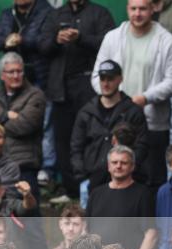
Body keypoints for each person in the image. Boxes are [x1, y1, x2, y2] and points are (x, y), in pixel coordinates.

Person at [92, 0, 172, 187]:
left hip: (152, 123)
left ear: (153, 9)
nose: (137, 14)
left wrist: (146, 98)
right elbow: (96, 76)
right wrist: (112, 99)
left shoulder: (167, 41)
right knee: (114, 177)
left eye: (142, 9)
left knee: (151, 179)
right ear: (127, 9)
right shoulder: (113, 38)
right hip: (115, 121)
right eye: (133, 9)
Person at [39, 0, 115, 197]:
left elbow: (110, 44)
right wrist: (57, 40)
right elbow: (42, 46)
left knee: (91, 139)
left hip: (89, 87)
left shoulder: (99, 13)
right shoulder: (56, 15)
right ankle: (71, 190)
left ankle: (94, 189)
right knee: (63, 141)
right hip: (60, 89)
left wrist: (80, 37)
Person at [0, 52, 47, 190]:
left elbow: (24, 125)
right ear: (2, 75)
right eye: (11, 72)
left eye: (19, 71)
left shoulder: (35, 94)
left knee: (27, 209)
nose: (16, 76)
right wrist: (6, 115)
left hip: (23, 164)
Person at [71, 59, 148, 193]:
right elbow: (76, 147)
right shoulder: (86, 112)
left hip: (125, 181)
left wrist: (129, 172)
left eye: (110, 79)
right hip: (91, 181)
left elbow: (142, 146)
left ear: (120, 79)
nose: (105, 83)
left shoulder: (133, 111)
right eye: (102, 79)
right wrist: (82, 177)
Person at [86, 145, 157, 249]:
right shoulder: (96, 194)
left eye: (124, 162)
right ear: (109, 166)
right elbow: (86, 231)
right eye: (114, 162)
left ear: (132, 166)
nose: (118, 166)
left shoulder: (143, 194)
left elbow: (151, 234)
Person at [0, 0, 53, 89]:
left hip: (38, 79)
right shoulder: (7, 14)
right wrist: (6, 41)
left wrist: (21, 40)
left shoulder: (47, 12)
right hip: (12, 78)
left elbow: (47, 42)